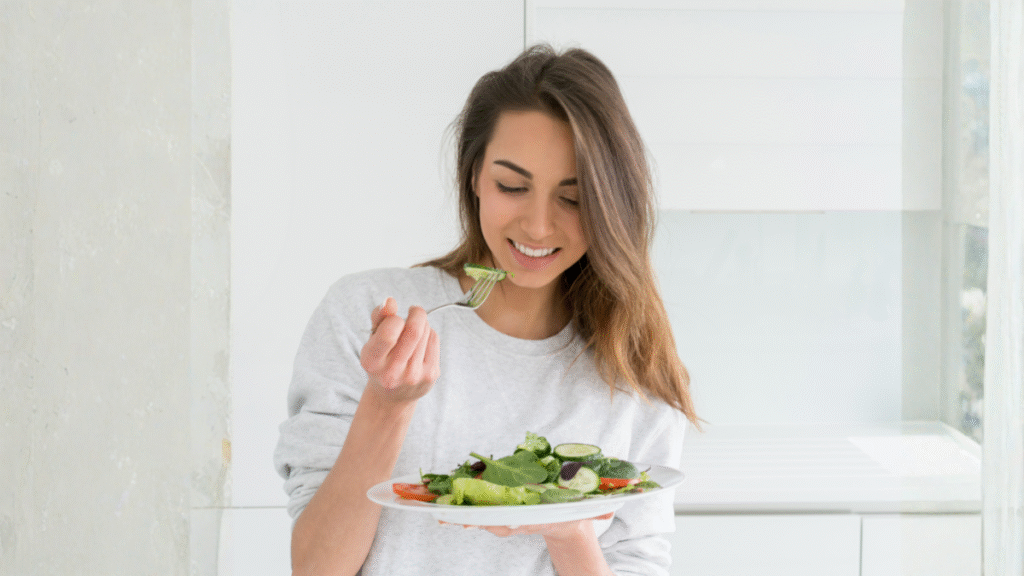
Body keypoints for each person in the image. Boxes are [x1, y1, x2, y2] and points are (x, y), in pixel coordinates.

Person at [273, 44, 700, 576]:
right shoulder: (365, 313)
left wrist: (567, 526)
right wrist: (386, 405)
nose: (538, 226)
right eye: (512, 186)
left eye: (572, 198)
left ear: (611, 203)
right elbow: (315, 567)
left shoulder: (632, 366)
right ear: (475, 175)